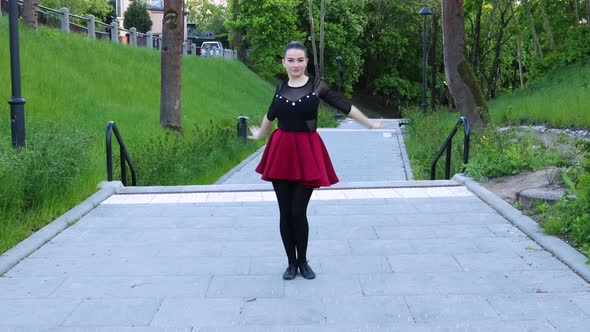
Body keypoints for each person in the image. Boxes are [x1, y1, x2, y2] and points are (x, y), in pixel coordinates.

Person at [248, 41, 383, 280]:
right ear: (284, 62)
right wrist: (260, 134)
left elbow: (345, 105)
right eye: (291, 60)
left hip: (307, 151)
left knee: (298, 212)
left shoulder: (316, 86)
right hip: (281, 152)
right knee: (285, 213)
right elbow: (271, 115)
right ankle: (290, 263)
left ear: (306, 62)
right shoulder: (280, 87)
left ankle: (303, 262)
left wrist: (370, 123)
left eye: (300, 60)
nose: (295, 64)